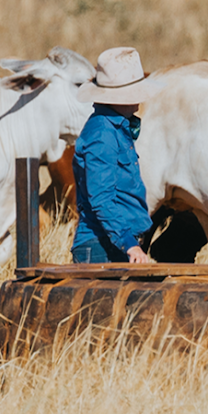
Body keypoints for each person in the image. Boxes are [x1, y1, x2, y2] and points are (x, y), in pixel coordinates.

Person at [72, 46, 155, 264]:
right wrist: (129, 243)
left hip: (112, 242)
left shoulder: (115, 128)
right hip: (102, 246)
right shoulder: (102, 134)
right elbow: (101, 198)